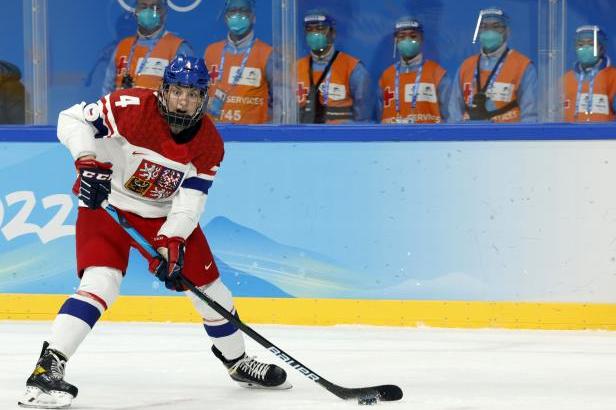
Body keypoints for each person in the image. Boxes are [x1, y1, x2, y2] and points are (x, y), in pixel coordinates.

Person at [18, 55, 290, 409]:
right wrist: (86, 161)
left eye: (193, 95)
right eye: (177, 91)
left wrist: (173, 240)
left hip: (160, 216)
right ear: (164, 91)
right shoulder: (130, 105)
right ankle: (48, 368)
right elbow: (70, 119)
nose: (184, 101)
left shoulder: (209, 143)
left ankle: (237, 363)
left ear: (204, 98)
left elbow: (190, 202)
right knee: (100, 283)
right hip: (107, 203)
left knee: (211, 291)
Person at [448, 7, 537, 123]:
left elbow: (530, 116)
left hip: (508, 138)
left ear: (507, 31)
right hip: (469, 138)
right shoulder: (466, 66)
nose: (489, 31)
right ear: (478, 32)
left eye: (496, 27)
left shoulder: (523, 66)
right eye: (484, 27)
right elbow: (454, 112)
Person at [101, 0, 193, 95]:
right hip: (121, 108)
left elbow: (184, 96)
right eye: (143, 6)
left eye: (155, 7)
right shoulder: (123, 46)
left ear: (164, 11)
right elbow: (107, 90)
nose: (148, 12)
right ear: (136, 10)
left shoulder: (178, 48)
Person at [204, 0, 274, 124]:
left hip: (252, 136)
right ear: (226, 18)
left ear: (253, 17)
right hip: (214, 132)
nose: (237, 15)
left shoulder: (267, 53)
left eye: (243, 11)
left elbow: (279, 103)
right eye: (233, 11)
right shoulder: (211, 51)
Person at [296, 10, 372, 124]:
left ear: (333, 33)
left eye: (320, 29)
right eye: (309, 30)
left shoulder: (354, 68)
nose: (314, 34)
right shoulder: (294, 68)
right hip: (303, 138)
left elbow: (363, 118)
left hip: (341, 139)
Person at [377, 17, 450, 124]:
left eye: (413, 36)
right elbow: (378, 114)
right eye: (402, 37)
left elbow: (449, 117)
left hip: (430, 139)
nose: (407, 40)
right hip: (391, 138)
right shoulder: (386, 76)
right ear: (395, 40)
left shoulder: (437, 73)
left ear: (421, 39)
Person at [563, 25, 616, 122]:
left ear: (601, 48)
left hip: (606, 136)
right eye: (580, 45)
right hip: (569, 136)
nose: (585, 48)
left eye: (591, 44)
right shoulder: (565, 80)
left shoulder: (612, 77)